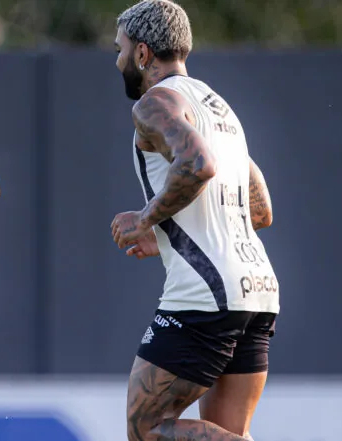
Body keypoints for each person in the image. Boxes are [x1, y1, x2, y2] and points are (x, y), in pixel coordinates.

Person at [110, 1, 279, 440]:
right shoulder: (219, 107)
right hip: (257, 291)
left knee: (145, 428)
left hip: (206, 295)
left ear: (142, 53)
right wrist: (169, 232)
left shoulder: (154, 103)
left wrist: (146, 219)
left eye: (120, 50)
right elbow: (259, 208)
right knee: (226, 431)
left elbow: (198, 165)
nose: (118, 60)